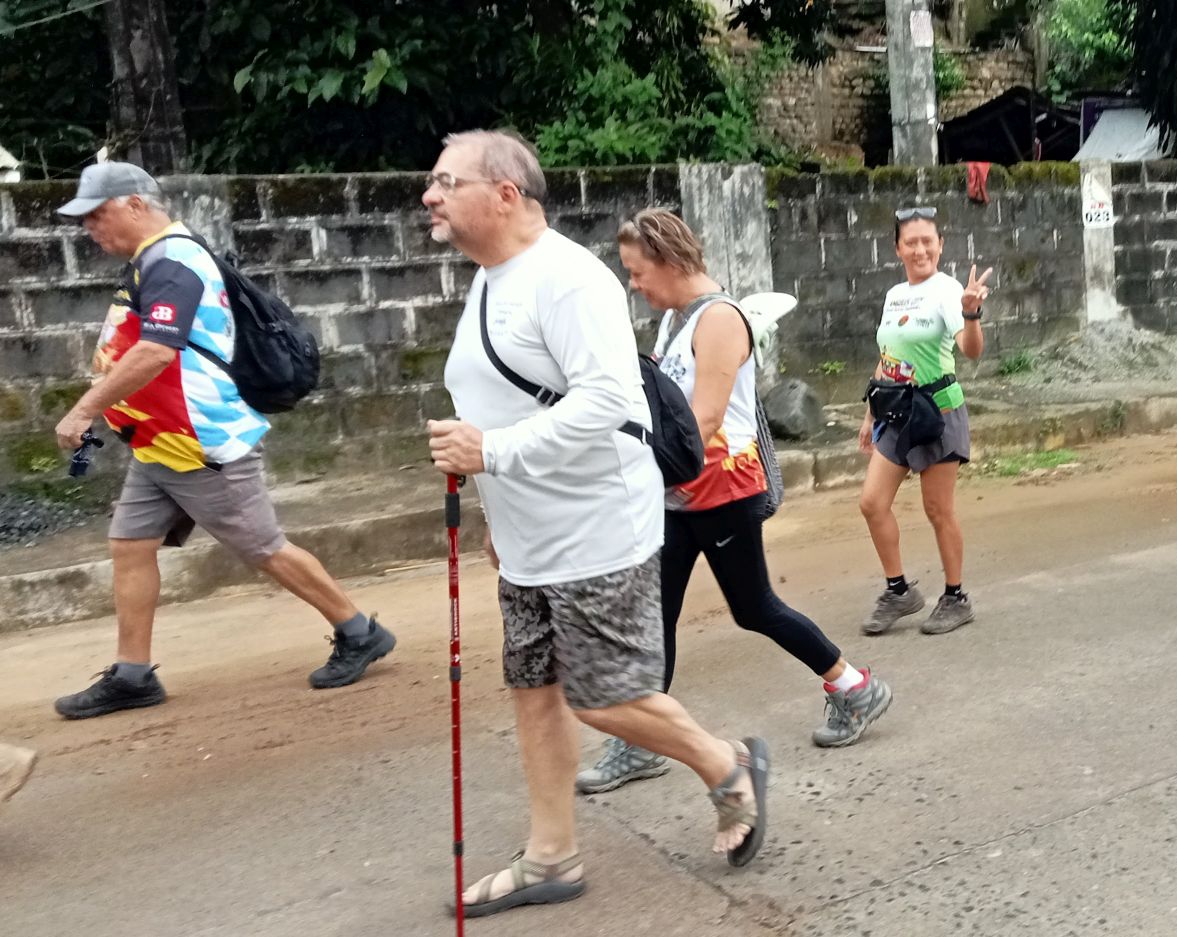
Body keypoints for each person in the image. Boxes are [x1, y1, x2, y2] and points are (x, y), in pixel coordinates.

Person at [424, 130, 769, 918]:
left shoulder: (568, 279)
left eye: (446, 181)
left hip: (595, 528)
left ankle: (727, 764)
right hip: (529, 535)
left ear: (505, 193)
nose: (430, 195)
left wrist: (491, 453)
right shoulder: (490, 281)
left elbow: (606, 400)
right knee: (534, 688)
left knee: (602, 697)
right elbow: (504, 400)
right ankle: (552, 854)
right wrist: (497, 506)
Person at [49, 163, 396, 720]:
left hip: (200, 443)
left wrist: (85, 408)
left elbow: (157, 351)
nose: (89, 227)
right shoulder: (154, 259)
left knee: (263, 547)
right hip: (159, 441)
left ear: (135, 204)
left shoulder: (173, 261)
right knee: (130, 545)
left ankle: (359, 631)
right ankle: (133, 675)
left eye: (97, 214)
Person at [571, 210, 895, 794]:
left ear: (669, 262)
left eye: (638, 272)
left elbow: (705, 419)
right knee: (655, 615)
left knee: (754, 607)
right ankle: (642, 740)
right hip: (680, 494)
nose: (634, 285)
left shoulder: (718, 319)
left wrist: (636, 477)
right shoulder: (676, 319)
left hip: (722, 490)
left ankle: (855, 687)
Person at [858, 207, 989, 636]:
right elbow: (888, 357)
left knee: (938, 509)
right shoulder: (895, 294)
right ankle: (899, 591)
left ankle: (956, 598)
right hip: (897, 411)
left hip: (939, 410)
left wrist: (971, 313)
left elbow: (971, 351)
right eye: (910, 242)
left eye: (927, 241)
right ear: (897, 249)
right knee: (872, 503)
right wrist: (870, 413)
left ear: (940, 245)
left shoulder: (949, 291)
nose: (920, 250)